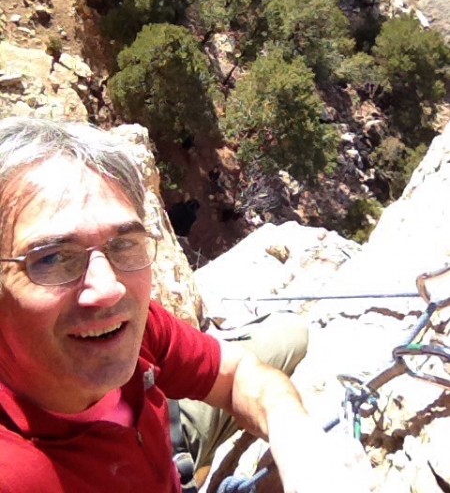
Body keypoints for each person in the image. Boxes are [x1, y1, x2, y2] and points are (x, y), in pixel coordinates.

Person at [0, 117, 371, 493]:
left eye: (123, 244)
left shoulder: (127, 328)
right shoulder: (18, 472)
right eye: (51, 258)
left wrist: (296, 440)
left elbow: (237, 373)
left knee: (288, 334)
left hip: (159, 444)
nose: (108, 289)